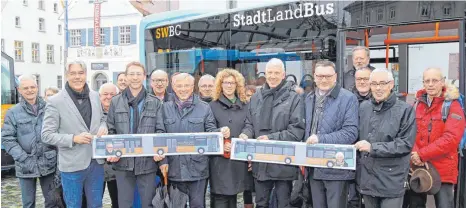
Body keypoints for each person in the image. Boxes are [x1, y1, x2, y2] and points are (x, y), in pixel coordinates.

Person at [154, 73, 230, 208]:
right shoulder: (164, 108)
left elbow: (210, 131)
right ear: (173, 87)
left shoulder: (204, 107)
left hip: (198, 169)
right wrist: (162, 161)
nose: (183, 89)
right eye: (179, 86)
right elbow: (160, 134)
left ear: (193, 86)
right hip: (173, 168)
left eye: (187, 85)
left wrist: (220, 132)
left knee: (198, 205)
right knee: (177, 205)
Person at [238, 58, 305, 207]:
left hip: (283, 162)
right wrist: (246, 134)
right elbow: (249, 123)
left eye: (276, 73)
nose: (273, 76)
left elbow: (297, 131)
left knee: (283, 204)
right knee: (261, 204)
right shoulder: (256, 97)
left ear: (284, 75)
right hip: (260, 162)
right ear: (265, 74)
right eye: (270, 72)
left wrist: (270, 138)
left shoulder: (294, 98)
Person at [41, 60, 108, 208]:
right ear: (66, 75)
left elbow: (103, 118)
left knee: (96, 204)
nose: (77, 77)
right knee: (73, 205)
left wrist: (104, 127)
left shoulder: (95, 96)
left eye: (80, 73)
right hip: (71, 164)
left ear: (85, 74)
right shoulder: (55, 101)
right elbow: (46, 134)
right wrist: (73, 138)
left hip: (96, 162)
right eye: (73, 73)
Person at [355, 68, 416, 208]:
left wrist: (372, 148)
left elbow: (405, 144)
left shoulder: (405, 110)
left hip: (391, 181)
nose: (378, 88)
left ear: (391, 84)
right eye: (374, 83)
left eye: (382, 83)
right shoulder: (364, 107)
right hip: (367, 180)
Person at [106, 61, 164, 208]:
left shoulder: (155, 102)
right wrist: (113, 151)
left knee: (148, 204)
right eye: (131, 74)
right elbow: (111, 130)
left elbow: (160, 131)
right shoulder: (115, 101)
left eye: (138, 74)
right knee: (125, 204)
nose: (135, 77)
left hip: (147, 163)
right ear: (126, 77)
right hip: (123, 163)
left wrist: (159, 151)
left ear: (144, 76)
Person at [304, 60, 359, 208]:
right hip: (313, 167)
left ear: (335, 77)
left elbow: (350, 133)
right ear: (314, 77)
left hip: (336, 169)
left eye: (328, 76)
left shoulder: (348, 98)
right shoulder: (308, 98)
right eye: (320, 76)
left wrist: (320, 139)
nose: (323, 80)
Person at [409, 67, 465, 208]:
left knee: (444, 205)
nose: (430, 84)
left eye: (435, 80)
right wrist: (415, 155)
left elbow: (451, 139)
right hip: (418, 167)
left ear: (443, 82)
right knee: (415, 204)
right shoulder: (416, 104)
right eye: (427, 81)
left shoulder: (452, 105)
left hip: (444, 169)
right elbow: (408, 132)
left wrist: (422, 154)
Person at [2, 75, 58, 208]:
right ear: (19, 90)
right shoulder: (13, 112)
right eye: (25, 88)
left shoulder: (50, 108)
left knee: (52, 201)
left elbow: (57, 132)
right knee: (28, 203)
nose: (29, 90)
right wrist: (23, 158)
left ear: (37, 88)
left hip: (49, 162)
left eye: (32, 87)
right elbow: (7, 139)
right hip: (25, 164)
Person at [208, 69, 253, 208]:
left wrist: (246, 133)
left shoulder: (245, 105)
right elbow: (208, 130)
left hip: (239, 159)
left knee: (235, 197)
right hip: (220, 161)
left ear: (237, 85)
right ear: (220, 85)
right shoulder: (211, 106)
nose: (229, 85)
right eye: (226, 82)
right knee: (221, 198)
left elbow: (250, 124)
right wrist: (220, 137)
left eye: (232, 83)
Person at [348, 66, 372, 208]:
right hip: (352, 155)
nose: (362, 82)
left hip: (372, 155)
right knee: (352, 198)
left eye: (365, 79)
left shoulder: (379, 100)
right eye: (359, 79)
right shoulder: (347, 99)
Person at [98, 82, 119, 208]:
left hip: (116, 167)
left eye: (112, 94)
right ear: (99, 96)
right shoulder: (92, 112)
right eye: (105, 94)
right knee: (94, 202)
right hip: (97, 167)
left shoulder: (123, 112)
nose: (109, 97)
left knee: (117, 202)